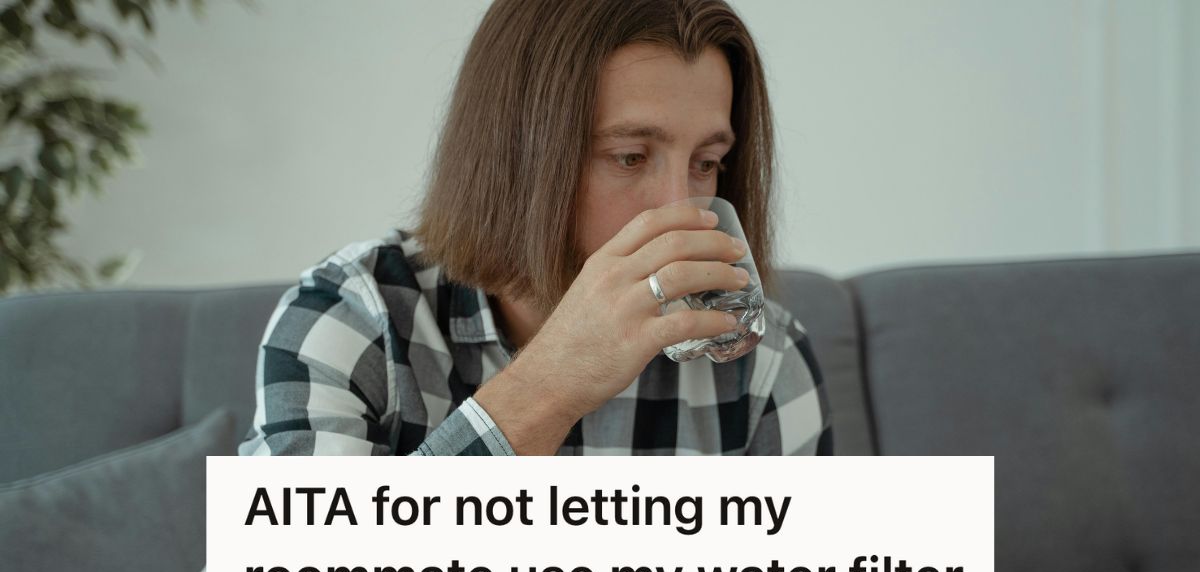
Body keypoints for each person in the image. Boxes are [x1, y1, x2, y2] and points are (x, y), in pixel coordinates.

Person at [233, 0, 831, 459]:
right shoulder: (350, 321)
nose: (684, 209)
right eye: (629, 157)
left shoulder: (766, 362)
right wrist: (550, 386)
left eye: (706, 163)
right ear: (515, 156)